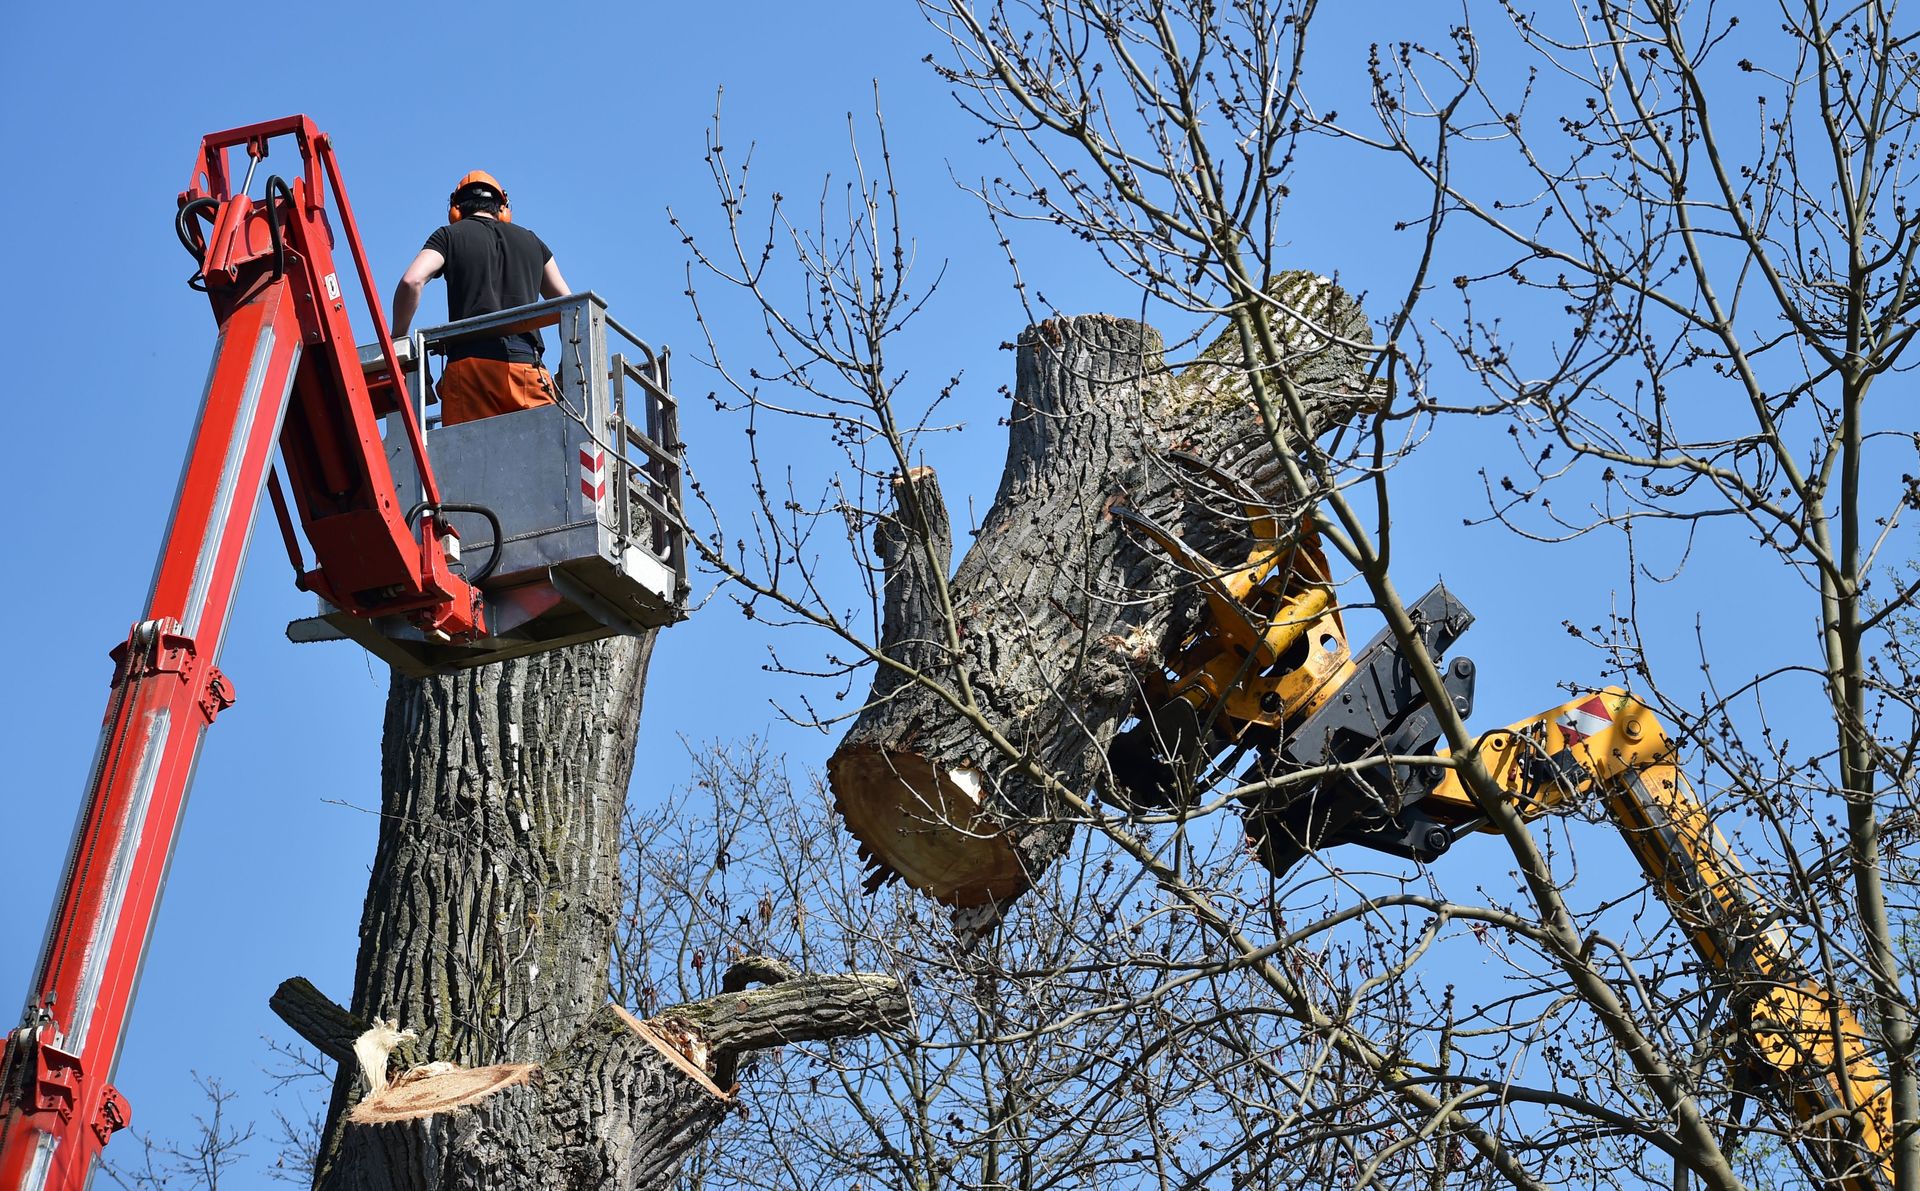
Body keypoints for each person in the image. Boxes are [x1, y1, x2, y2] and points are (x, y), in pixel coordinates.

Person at [391, 170, 572, 426]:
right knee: (548, 457)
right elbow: (570, 308)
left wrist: (398, 338)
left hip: (471, 372)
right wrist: (568, 368)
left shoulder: (448, 236)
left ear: (456, 209)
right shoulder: (532, 241)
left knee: (469, 461)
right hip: (529, 371)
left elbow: (412, 281)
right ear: (503, 207)